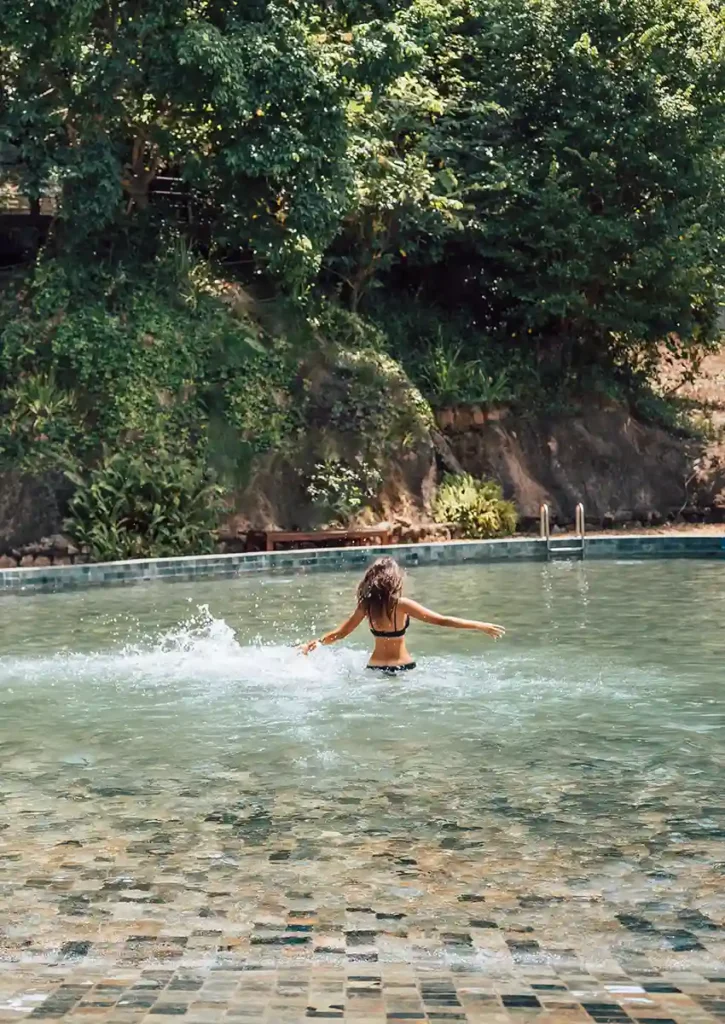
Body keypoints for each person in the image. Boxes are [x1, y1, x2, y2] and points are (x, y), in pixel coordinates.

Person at [300, 556, 505, 672]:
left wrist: (319, 641)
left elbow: (342, 633)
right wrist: (479, 625)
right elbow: (442, 620)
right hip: (404, 667)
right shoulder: (402, 605)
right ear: (393, 580)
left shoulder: (366, 606)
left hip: (375, 669)